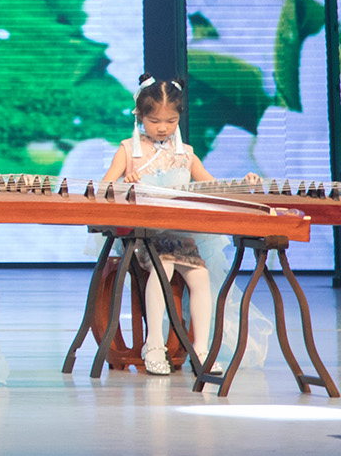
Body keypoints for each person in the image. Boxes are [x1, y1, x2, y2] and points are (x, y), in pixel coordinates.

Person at [98, 72, 256, 376]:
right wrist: (125, 183)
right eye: (155, 121)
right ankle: (154, 345)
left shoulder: (186, 154)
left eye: (171, 121)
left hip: (180, 235)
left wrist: (244, 184)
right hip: (143, 236)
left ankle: (202, 350)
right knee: (165, 267)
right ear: (139, 116)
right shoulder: (128, 150)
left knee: (201, 276)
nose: (163, 128)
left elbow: (212, 186)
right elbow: (104, 188)